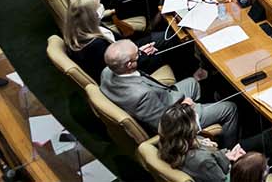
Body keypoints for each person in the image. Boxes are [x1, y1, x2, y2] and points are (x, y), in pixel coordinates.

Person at [100, 39, 239, 148]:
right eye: (137, 55)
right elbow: (165, 126)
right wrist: (185, 106)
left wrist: (141, 53)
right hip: (175, 117)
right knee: (230, 108)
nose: (139, 55)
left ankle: (208, 107)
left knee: (193, 83)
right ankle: (231, 150)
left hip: (165, 97)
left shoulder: (108, 71)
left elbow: (131, 68)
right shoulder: (142, 95)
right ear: (129, 65)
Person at [63, 0, 150, 79]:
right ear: (92, 14)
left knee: (157, 37)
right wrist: (140, 55)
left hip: (127, 53)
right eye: (98, 6)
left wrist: (136, 50)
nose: (102, 6)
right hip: (130, 71)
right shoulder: (96, 45)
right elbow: (117, 70)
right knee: (159, 41)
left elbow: (120, 41)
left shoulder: (88, 26)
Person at [157, 101, 246, 182]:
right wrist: (239, 164)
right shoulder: (203, 161)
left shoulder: (168, 145)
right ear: (189, 129)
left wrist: (225, 156)